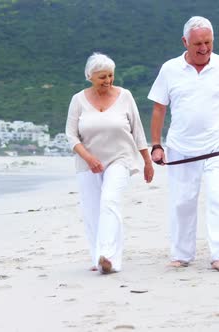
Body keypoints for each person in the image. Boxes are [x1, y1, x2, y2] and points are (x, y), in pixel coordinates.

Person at [147, 16, 219, 272]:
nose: (203, 49)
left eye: (208, 42)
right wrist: (156, 145)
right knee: (182, 201)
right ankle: (182, 254)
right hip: (181, 146)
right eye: (197, 44)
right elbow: (159, 109)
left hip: (218, 144)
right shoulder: (170, 69)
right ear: (185, 42)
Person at [65, 52, 154, 274]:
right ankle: (98, 257)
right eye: (102, 77)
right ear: (90, 77)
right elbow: (71, 136)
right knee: (93, 211)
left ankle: (110, 258)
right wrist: (88, 158)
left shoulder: (125, 96)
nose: (108, 81)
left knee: (109, 201)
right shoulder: (78, 100)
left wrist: (147, 161)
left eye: (111, 76)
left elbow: (138, 131)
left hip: (120, 158)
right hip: (88, 162)